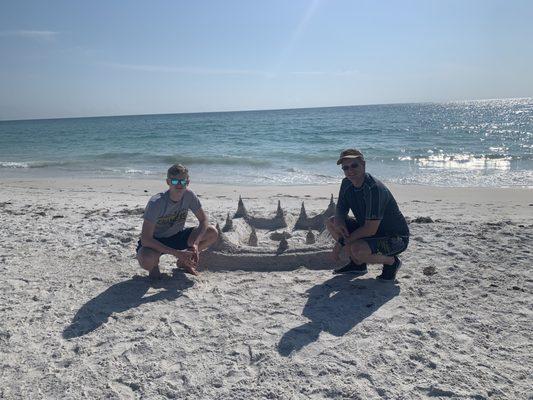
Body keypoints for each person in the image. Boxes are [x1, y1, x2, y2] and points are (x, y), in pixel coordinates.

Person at [326, 149, 409, 280]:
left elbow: (370, 229)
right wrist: (340, 221)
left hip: (395, 239)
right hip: (370, 231)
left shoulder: (373, 189)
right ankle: (357, 265)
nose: (350, 171)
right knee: (332, 222)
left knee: (357, 249)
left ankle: (392, 262)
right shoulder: (346, 182)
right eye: (345, 168)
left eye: (354, 165)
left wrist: (340, 244)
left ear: (363, 164)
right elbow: (341, 208)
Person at [136, 163, 218, 278]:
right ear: (168, 182)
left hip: (177, 235)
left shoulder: (189, 195)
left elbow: (203, 219)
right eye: (175, 181)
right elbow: (145, 239)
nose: (179, 184)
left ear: (187, 182)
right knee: (146, 260)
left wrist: (195, 244)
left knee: (212, 232)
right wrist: (177, 253)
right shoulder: (156, 202)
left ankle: (184, 262)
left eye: (183, 181)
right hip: (156, 241)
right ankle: (154, 266)